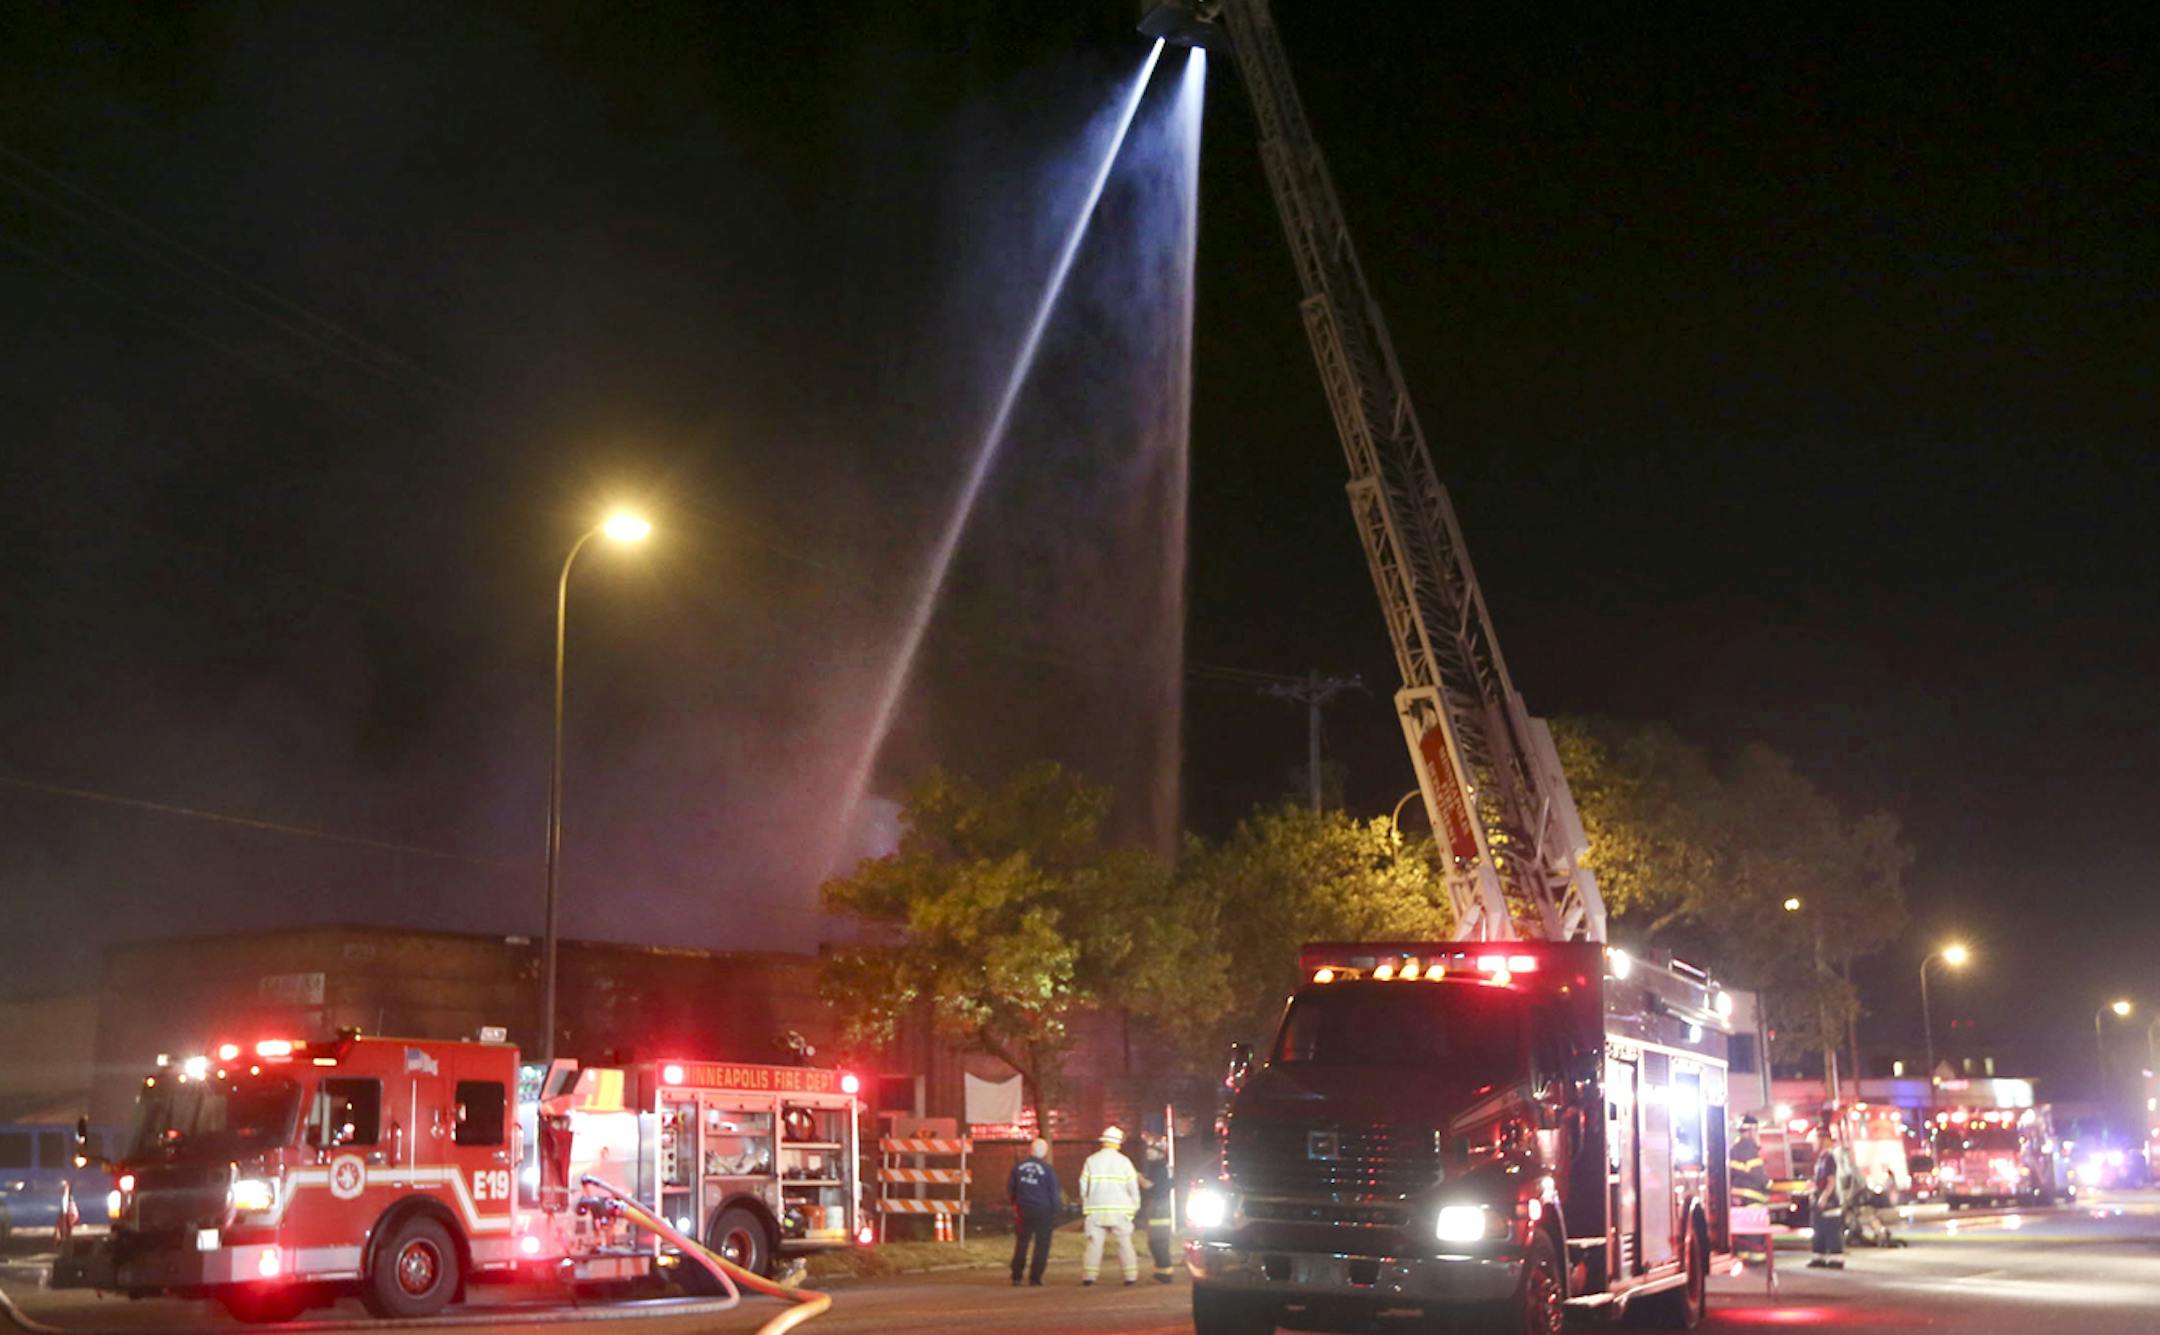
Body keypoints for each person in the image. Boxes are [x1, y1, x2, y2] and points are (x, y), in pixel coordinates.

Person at [1078, 1124, 1141, 1286]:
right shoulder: (1125, 1162)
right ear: (1118, 1143)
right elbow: (1133, 1187)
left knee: (1094, 1243)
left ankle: (1089, 1277)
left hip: (1096, 1209)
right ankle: (1130, 1276)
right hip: (1120, 1210)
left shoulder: (1091, 1161)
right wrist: (1134, 1206)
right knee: (1124, 1242)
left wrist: (1087, 1202)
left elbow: (1083, 1185)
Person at [1007, 1138, 1061, 1287]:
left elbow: (1011, 1189)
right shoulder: (1048, 1170)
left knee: (1022, 1242)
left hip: (1023, 1209)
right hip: (1043, 1211)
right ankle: (1035, 1277)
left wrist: (1015, 1205)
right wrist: (1056, 1211)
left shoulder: (1018, 1167)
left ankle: (1016, 1276)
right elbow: (1054, 1192)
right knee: (1042, 1245)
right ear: (1045, 1153)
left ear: (1030, 1150)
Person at [1135, 1131, 1176, 1284]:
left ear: (1159, 1151)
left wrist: (1137, 1176)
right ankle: (1161, 1271)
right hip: (1160, 1205)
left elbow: (1149, 1185)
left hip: (1160, 1207)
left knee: (1158, 1241)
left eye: (1150, 1149)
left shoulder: (1159, 1167)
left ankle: (1165, 1274)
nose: (1147, 1152)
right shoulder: (1159, 1166)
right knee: (1156, 1241)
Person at [1809, 1122, 1846, 1269]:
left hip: (1829, 1202)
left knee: (1831, 1231)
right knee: (1820, 1231)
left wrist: (1824, 1197)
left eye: (1815, 1139)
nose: (1813, 1143)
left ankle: (1836, 1259)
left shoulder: (1829, 1158)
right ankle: (1819, 1257)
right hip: (1821, 1200)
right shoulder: (1821, 1159)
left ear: (1823, 1140)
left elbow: (1831, 1180)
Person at [1729, 1115, 1770, 1208]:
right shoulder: (1749, 1147)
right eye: (1756, 1131)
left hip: (1740, 1198)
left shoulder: (1735, 1148)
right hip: (1752, 1198)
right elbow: (1757, 1173)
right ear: (1752, 1131)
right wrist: (1769, 1184)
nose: (1757, 1134)